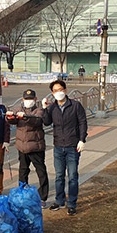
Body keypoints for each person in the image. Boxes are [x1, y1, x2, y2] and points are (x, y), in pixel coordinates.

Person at [43, 80, 88, 216]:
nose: (59, 92)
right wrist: (45, 108)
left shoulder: (75, 105)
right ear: (52, 93)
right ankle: (59, 200)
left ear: (65, 90)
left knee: (73, 176)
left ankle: (72, 203)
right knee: (59, 176)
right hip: (58, 146)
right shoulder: (52, 108)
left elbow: (82, 123)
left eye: (61, 89)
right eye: (55, 90)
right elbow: (46, 122)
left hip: (73, 146)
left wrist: (82, 140)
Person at [6, 89, 49, 208]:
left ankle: (42, 197)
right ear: (22, 99)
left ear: (35, 99)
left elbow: (37, 119)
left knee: (41, 171)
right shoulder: (19, 109)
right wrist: (9, 117)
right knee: (23, 171)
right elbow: (13, 120)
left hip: (36, 147)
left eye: (31, 99)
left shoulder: (39, 110)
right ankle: (22, 194)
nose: (28, 101)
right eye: (26, 99)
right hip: (22, 147)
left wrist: (25, 116)